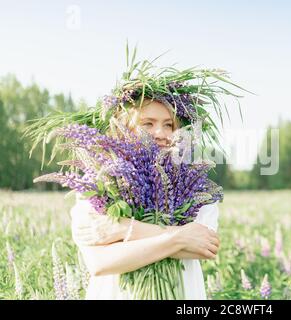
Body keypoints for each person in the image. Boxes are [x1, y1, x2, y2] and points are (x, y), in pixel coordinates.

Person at [71, 98, 221, 299]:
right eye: (147, 123)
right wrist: (179, 237)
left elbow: (205, 246)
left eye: (168, 125)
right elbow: (99, 263)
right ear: (123, 129)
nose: (161, 133)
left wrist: (124, 229)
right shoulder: (98, 183)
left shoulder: (195, 186)